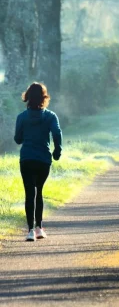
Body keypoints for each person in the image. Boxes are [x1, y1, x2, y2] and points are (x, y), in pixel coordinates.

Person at [14, 82, 62, 241]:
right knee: (39, 191)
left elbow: (17, 139)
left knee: (29, 193)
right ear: (44, 97)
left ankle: (29, 232)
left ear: (27, 97)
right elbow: (57, 133)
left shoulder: (21, 117)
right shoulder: (50, 116)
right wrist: (57, 151)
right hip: (43, 160)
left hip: (26, 158)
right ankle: (39, 228)